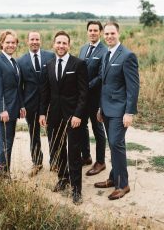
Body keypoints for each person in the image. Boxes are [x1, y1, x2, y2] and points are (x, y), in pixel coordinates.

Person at [39, 31, 88, 205]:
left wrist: (77, 115)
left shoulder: (79, 64)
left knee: (74, 152)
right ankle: (63, 179)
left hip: (73, 116)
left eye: (64, 43)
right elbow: (45, 92)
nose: (61, 46)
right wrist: (42, 113)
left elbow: (84, 93)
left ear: (69, 45)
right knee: (58, 149)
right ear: (54, 44)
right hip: (54, 117)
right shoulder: (49, 65)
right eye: (58, 42)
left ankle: (76, 189)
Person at [94, 22, 139, 200]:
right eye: (106, 34)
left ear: (118, 33)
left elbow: (133, 87)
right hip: (106, 109)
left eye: (112, 33)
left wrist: (129, 112)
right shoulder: (106, 53)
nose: (109, 36)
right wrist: (100, 108)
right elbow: (104, 85)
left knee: (116, 144)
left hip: (120, 111)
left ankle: (123, 184)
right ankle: (113, 178)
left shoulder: (127, 56)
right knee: (113, 144)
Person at [0, 30, 26, 177]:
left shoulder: (14, 62)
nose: (10, 45)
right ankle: (1, 175)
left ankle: (2, 173)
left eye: (13, 42)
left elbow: (17, 87)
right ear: (1, 43)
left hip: (13, 110)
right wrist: (2, 109)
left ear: (16, 44)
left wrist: (21, 105)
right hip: (3, 112)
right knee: (4, 145)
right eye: (7, 42)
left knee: (7, 143)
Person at [17, 32, 54, 176]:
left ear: (41, 41)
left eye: (37, 39)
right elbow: (19, 87)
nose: (34, 42)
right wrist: (21, 105)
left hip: (49, 103)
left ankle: (55, 162)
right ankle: (37, 162)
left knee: (52, 133)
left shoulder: (50, 56)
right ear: (27, 41)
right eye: (32, 39)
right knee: (34, 134)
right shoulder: (20, 61)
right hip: (30, 104)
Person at [79, 21, 107, 175]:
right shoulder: (83, 49)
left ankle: (100, 161)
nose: (93, 33)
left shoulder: (104, 51)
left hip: (96, 98)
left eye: (95, 30)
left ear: (100, 32)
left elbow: (102, 76)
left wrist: (86, 87)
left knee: (98, 129)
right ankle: (86, 156)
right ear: (87, 32)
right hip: (82, 98)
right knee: (82, 127)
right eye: (90, 30)